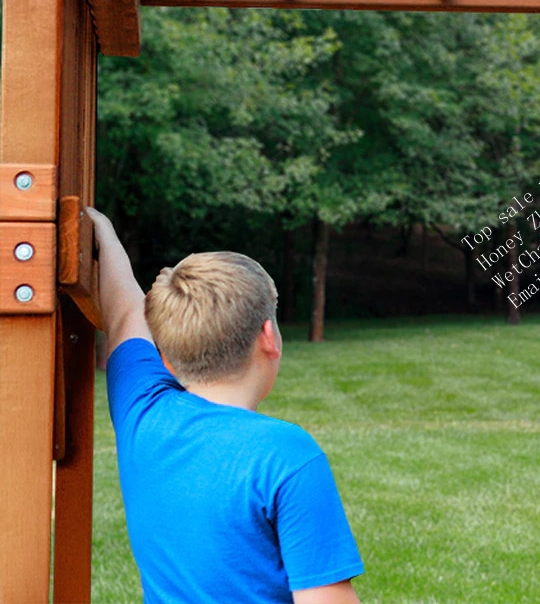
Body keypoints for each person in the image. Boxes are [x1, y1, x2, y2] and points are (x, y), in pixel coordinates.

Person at [88, 208, 364, 603]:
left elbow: (125, 312)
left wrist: (107, 239)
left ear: (165, 357)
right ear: (269, 336)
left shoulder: (142, 414)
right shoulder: (286, 453)